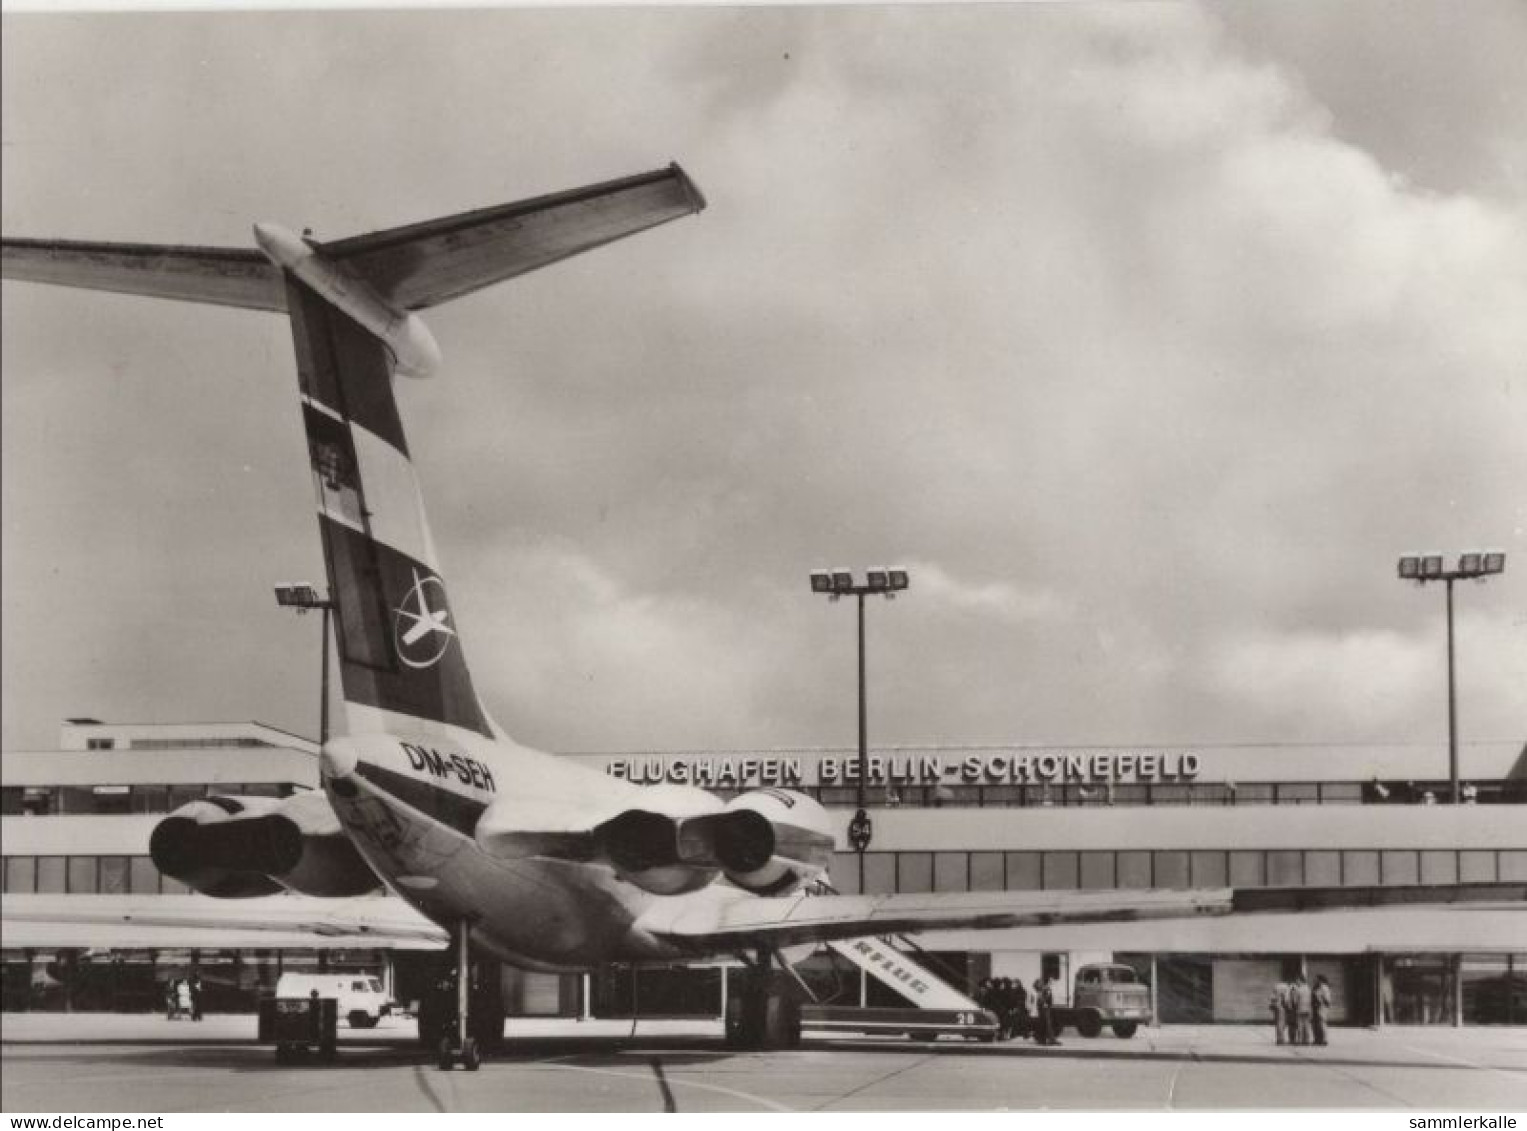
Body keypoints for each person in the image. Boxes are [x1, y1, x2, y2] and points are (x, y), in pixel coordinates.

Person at [1032, 974, 1061, 1046]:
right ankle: (1049, 1039)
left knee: (1044, 1023)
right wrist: (1044, 1003)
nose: (1052, 983)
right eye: (1051, 981)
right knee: (1047, 1023)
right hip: (1044, 1008)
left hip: (1045, 1007)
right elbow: (1041, 997)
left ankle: (1043, 1039)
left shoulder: (1045, 988)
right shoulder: (1043, 989)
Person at [1290, 974, 1313, 1046]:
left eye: (1297, 981)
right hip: (1308, 1009)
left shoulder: (1298, 990)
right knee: (1307, 1025)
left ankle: (1300, 1040)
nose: (1296, 982)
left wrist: (1292, 994)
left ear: (1300, 980)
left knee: (1299, 1025)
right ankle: (1307, 1040)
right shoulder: (1308, 989)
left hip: (1300, 1009)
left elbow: (1295, 1001)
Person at [1311, 975, 1332, 1046]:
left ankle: (1324, 1039)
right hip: (1315, 1008)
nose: (1315, 981)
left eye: (1316, 979)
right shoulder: (1315, 987)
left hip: (1322, 1007)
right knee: (1315, 1025)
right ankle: (1317, 1039)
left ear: (1320, 980)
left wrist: (1321, 1001)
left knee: (1322, 1024)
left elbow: (1327, 999)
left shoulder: (1324, 988)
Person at [1270, 980, 1289, 1045]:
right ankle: (1281, 1039)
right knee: (1282, 1023)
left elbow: (1272, 998)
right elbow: (1286, 999)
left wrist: (1273, 1005)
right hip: (1282, 1007)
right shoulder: (1286, 987)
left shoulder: (1276, 987)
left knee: (1278, 1023)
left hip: (1276, 1007)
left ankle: (1278, 1038)